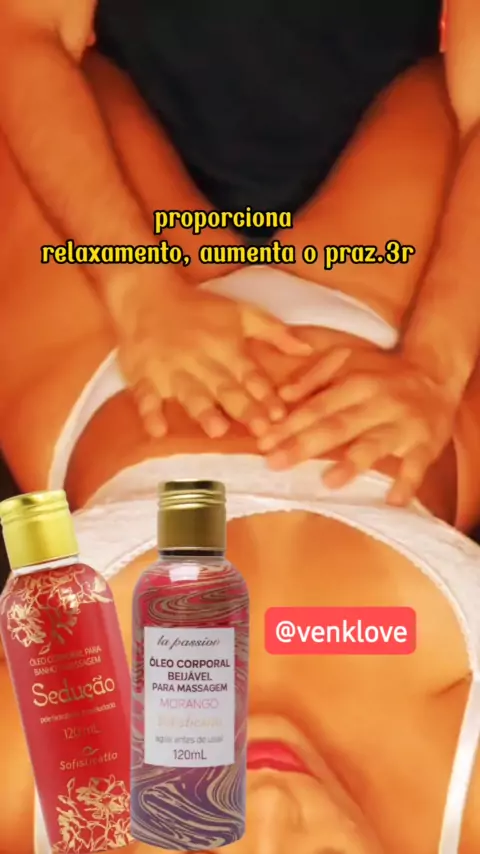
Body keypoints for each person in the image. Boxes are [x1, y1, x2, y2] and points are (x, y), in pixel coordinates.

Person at [1, 11, 480, 854]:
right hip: (391, 341)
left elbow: (18, 43)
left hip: (107, 376)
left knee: (44, 72)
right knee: (452, 90)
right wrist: (438, 364)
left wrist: (137, 290)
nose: (264, 804)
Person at [1, 0, 480, 505]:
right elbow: (27, 32)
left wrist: (435, 366)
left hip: (390, 203)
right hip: (125, 211)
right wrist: (137, 289)